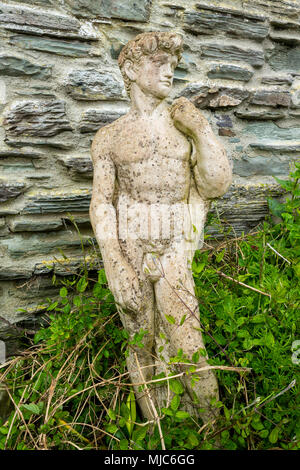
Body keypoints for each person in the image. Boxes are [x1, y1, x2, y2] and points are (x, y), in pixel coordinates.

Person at [90, 32, 232, 422]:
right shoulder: (110, 136)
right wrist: (115, 263)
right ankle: (156, 433)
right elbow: (101, 202)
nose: (170, 71)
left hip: (175, 248)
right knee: (141, 346)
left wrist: (201, 129)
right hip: (131, 247)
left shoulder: (182, 125)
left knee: (189, 345)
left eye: (173, 64)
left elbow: (215, 185)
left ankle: (212, 430)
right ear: (132, 70)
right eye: (160, 64)